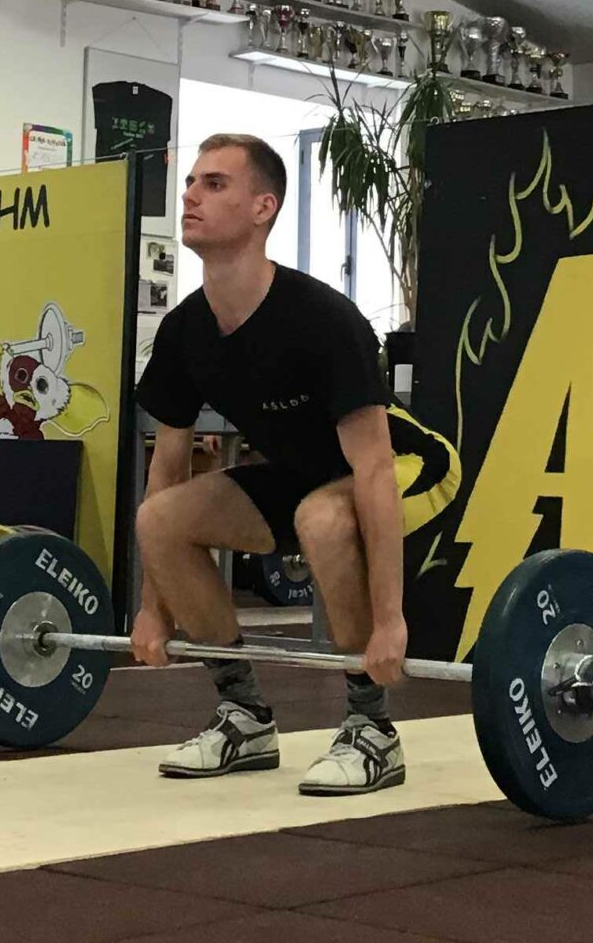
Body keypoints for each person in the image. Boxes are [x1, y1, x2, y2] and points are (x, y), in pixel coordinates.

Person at [133, 132, 410, 794]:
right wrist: (153, 608)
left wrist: (391, 621)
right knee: (161, 517)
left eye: (214, 184)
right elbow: (167, 468)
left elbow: (376, 469)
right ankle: (244, 715)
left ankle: (372, 727)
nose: (191, 195)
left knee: (321, 518)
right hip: (296, 479)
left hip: (392, 474)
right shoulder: (185, 331)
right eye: (191, 182)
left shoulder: (324, 319)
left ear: (264, 208)